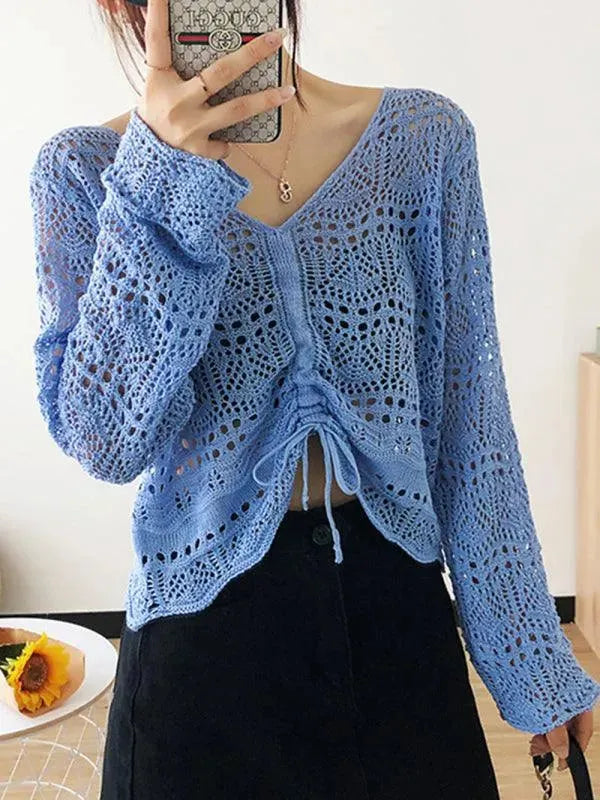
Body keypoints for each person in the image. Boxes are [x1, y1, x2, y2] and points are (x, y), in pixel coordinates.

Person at [28, 0, 599, 797]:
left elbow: (471, 427)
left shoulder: (421, 144)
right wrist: (161, 179)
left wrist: (528, 650)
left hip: (398, 630)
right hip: (200, 660)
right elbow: (106, 439)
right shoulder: (86, 173)